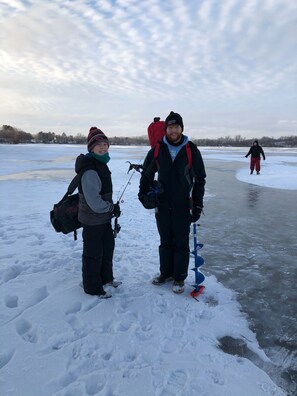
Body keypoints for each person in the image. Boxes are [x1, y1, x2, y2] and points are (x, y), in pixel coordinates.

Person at [138, 111, 206, 294]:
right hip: (162, 203)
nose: (173, 130)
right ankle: (165, 273)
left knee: (181, 243)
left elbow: (200, 179)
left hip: (183, 204)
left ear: (182, 128)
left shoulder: (192, 150)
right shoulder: (158, 150)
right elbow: (146, 175)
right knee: (165, 241)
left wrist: (198, 205)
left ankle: (179, 277)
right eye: (170, 127)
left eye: (176, 127)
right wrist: (144, 196)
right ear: (166, 129)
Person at [75, 127, 121, 299]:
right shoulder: (90, 169)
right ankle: (92, 287)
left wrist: (110, 209)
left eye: (105, 144)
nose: (103, 147)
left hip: (102, 218)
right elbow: (94, 201)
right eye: (98, 145)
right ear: (91, 148)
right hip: (93, 219)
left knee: (107, 248)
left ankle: (106, 279)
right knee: (93, 254)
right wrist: (111, 208)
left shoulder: (100, 164)